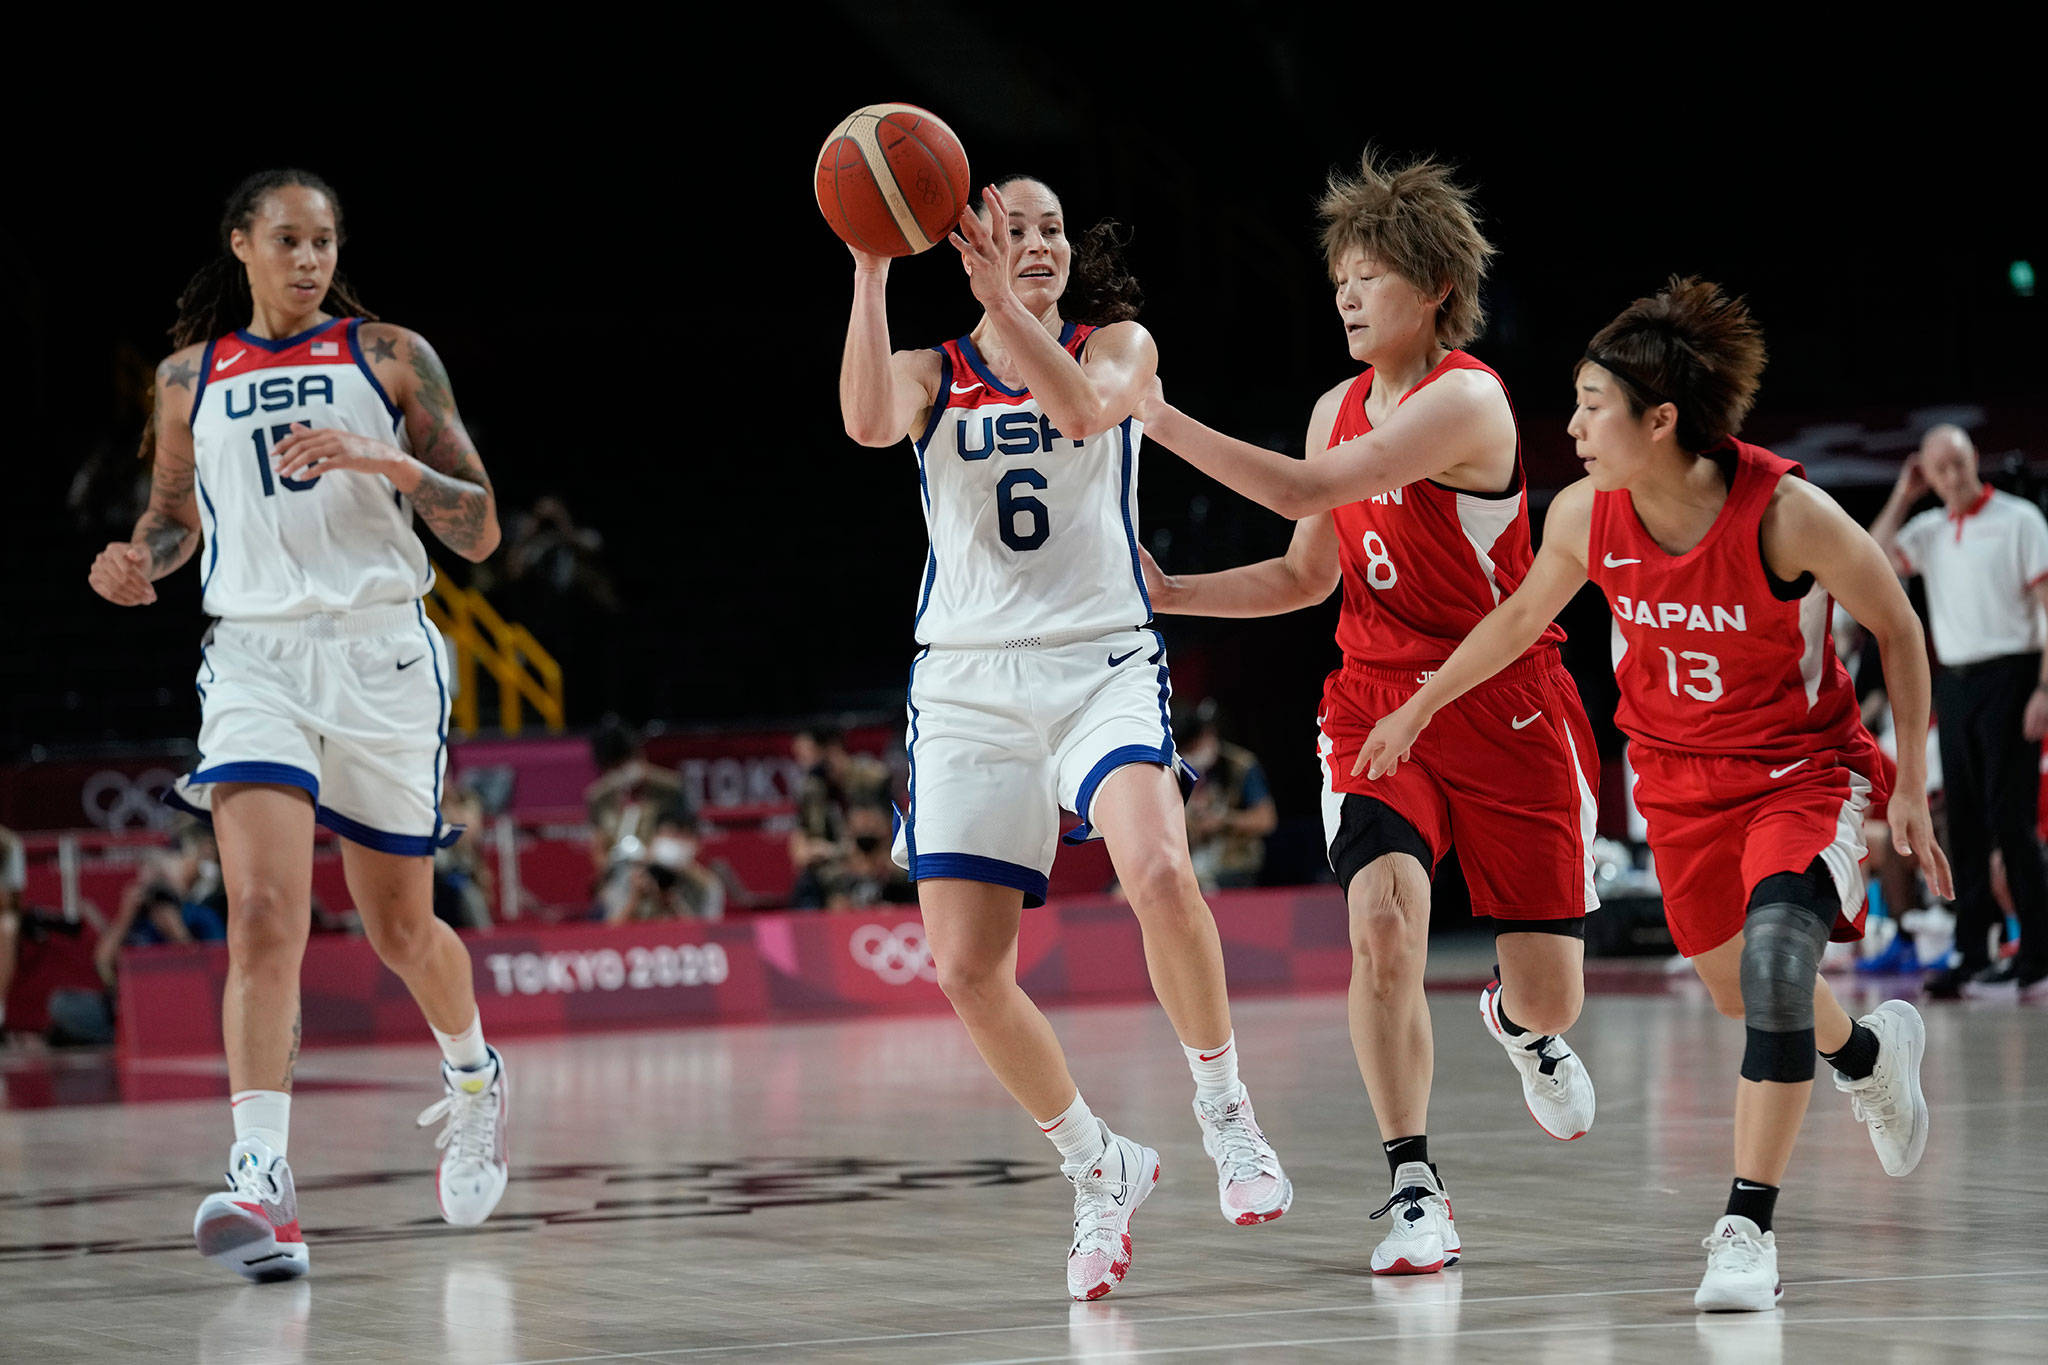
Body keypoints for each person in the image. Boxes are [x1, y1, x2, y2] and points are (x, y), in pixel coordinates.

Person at [1359, 278, 1954, 1312]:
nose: (1576, 425)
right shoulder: (1586, 516)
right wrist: (1416, 708)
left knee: (1772, 965)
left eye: (1594, 405)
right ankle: (1865, 1056)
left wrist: (1904, 783)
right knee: (1738, 990)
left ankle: (1743, 1230)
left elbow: (1896, 626)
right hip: (1677, 789)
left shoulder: (1785, 515)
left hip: (1800, 775)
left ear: (1660, 420)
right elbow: (1508, 625)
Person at [1139, 149, 1598, 1276]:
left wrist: (1144, 411)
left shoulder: (1465, 400)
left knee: (1551, 989)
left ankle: (1519, 1022)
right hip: (1373, 704)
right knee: (1383, 928)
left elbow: (1303, 491)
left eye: (1369, 278)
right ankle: (1411, 1183)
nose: (1345, 297)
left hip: (1505, 702)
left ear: (1433, 288)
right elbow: (1307, 571)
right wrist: (1172, 593)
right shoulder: (1328, 406)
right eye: (1337, 278)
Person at [838, 176, 1290, 1300]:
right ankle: (1097, 1165)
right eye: (1009, 230)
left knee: (1159, 871)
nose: (1033, 244)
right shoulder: (932, 371)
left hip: (1099, 658)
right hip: (966, 684)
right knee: (962, 965)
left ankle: (1224, 1110)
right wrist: (869, 263)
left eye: (1047, 231)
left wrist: (1014, 309)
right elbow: (859, 422)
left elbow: (1089, 414)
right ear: (967, 244)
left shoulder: (1117, 345)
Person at [86, 168, 511, 1282]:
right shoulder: (191, 376)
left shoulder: (389, 358)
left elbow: (478, 531)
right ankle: (260, 1179)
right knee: (266, 909)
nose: (309, 258)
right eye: (287, 239)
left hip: (379, 653)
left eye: (323, 240)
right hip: (255, 660)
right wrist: (140, 562)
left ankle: (472, 1080)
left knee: (400, 933)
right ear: (241, 245)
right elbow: (174, 518)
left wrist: (394, 461)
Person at [1871, 425, 2048, 998]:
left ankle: (2038, 951)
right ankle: (1972, 950)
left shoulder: (2021, 520)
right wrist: (1903, 493)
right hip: (1955, 681)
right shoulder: (1927, 532)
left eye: (1959, 464)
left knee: (2012, 821)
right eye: (1938, 469)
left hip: (2014, 675)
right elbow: (1870, 558)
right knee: (1964, 824)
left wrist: (2044, 690)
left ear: (1976, 461)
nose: (1952, 477)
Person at [1177, 704, 1278, 891]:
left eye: (1194, 746)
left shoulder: (1240, 766)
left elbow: (1266, 820)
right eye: (1187, 749)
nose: (1193, 753)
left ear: (1208, 735)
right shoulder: (1175, 770)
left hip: (1233, 867)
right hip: (1188, 864)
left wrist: (1223, 821)